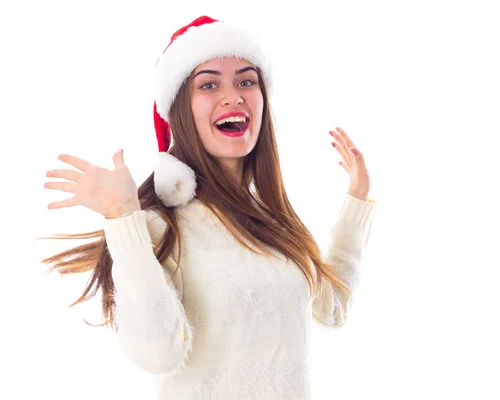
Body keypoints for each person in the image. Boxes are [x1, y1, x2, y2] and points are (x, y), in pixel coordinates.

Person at [41, 15, 377, 399]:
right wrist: (122, 219)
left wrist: (356, 202)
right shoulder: (156, 225)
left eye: (246, 81)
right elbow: (158, 353)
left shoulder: (274, 223)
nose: (233, 95)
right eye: (209, 84)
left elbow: (332, 309)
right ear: (181, 111)